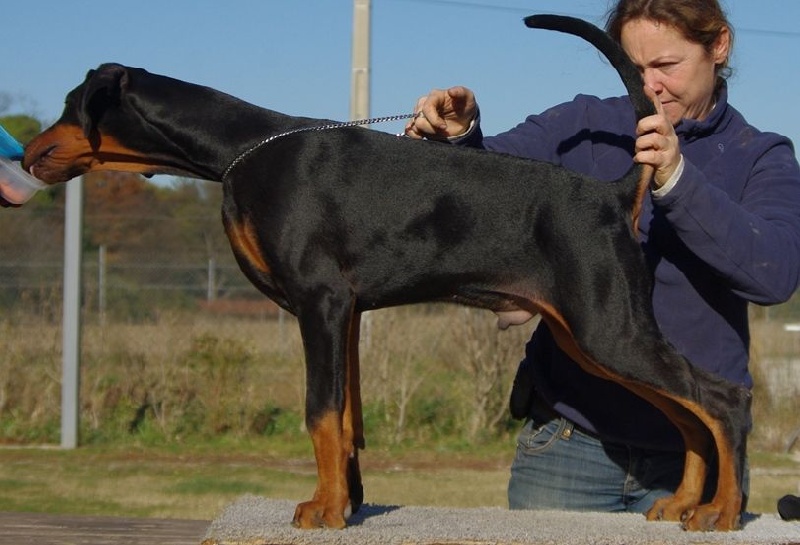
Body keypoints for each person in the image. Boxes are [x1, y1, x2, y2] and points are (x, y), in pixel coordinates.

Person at [406, 0, 800, 513]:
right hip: (568, 445)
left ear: (718, 46)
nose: (650, 87)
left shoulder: (760, 154)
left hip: (697, 453)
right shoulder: (583, 124)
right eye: (634, 68)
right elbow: (488, 181)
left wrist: (678, 182)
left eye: (666, 65)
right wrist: (459, 137)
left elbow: (774, 275)